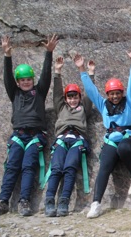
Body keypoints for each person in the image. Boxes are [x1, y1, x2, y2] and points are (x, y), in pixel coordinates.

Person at [0, 34, 57, 217]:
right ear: (18, 82)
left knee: (29, 165)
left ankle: (24, 201)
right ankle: (3, 201)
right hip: (19, 135)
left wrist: (49, 53)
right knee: (12, 165)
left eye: (29, 79)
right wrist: (7, 55)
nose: (26, 82)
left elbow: (46, 75)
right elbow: (7, 77)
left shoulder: (39, 92)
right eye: (22, 80)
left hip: (36, 135)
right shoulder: (14, 94)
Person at [79, 47, 131, 219]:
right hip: (111, 140)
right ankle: (96, 204)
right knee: (104, 168)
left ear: (122, 93)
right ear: (108, 94)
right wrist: (82, 70)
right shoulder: (103, 105)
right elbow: (91, 92)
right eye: (112, 94)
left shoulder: (128, 102)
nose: (115, 96)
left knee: (124, 148)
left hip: (128, 137)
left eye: (117, 93)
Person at [44, 58, 92, 217]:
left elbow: (90, 93)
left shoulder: (84, 108)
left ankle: (64, 201)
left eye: (75, 97)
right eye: (70, 97)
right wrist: (57, 71)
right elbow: (57, 93)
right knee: (56, 168)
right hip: (62, 140)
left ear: (79, 97)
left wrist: (88, 72)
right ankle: (49, 200)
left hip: (77, 140)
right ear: (65, 99)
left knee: (70, 168)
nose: (73, 99)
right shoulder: (61, 107)